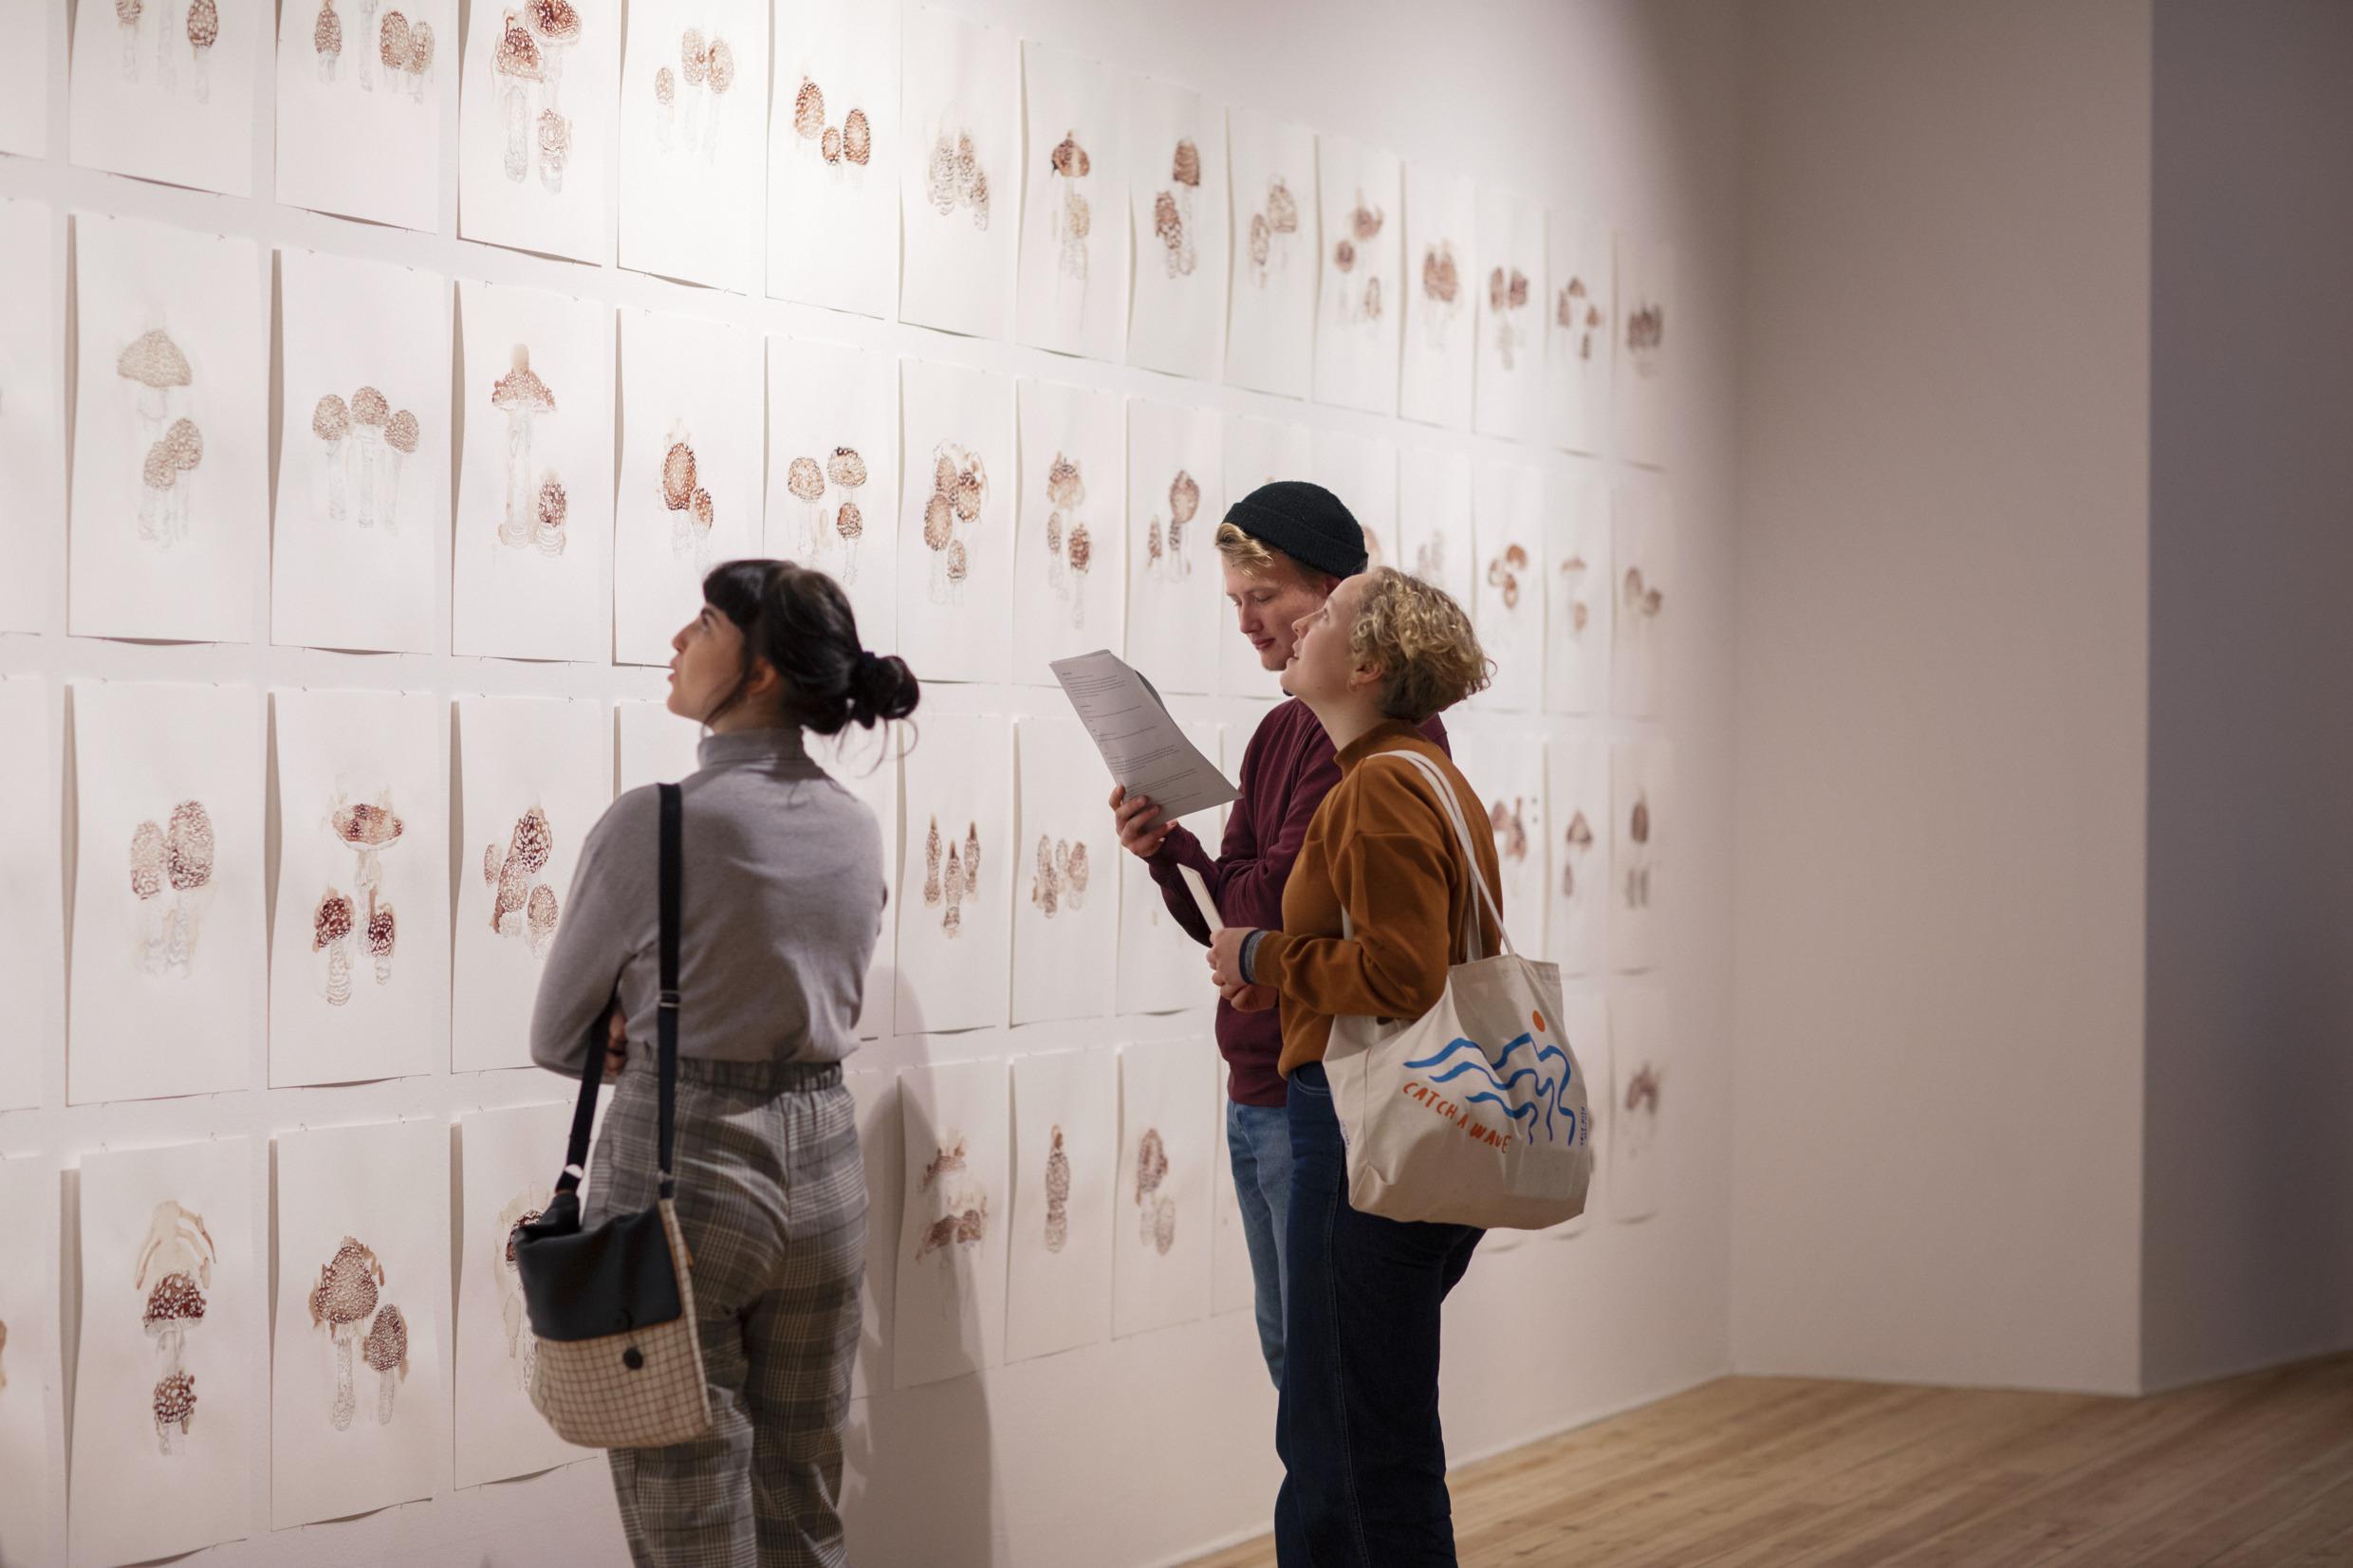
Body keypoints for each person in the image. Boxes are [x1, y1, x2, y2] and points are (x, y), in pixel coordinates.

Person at [529, 561, 918, 1568]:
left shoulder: (655, 821)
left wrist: (630, 1028)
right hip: (825, 1164)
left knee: (688, 1508)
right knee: (802, 1497)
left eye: (703, 623)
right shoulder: (855, 824)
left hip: (684, 1162)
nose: (677, 640)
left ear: (760, 671)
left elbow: (558, 1033)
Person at [1112, 482, 1448, 1394]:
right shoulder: (1282, 730)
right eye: (1235, 601)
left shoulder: (1378, 742)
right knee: (1299, 1367)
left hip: (1331, 1092)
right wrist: (1170, 849)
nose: (1247, 623)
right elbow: (1235, 914)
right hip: (1263, 1081)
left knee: (1333, 1383)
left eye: (1263, 597)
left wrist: (1237, 906)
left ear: (1337, 596)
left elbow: (1267, 911)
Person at [1204, 567, 1500, 1568]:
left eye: (1324, 615)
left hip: (1354, 1128)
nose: (1299, 629)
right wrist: (1281, 973)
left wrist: (1262, 957)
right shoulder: (1418, 773)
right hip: (1388, 1121)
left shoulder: (1376, 788)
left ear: (1367, 664)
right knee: (1364, 1436)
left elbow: (1398, 975)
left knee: (1347, 1451)